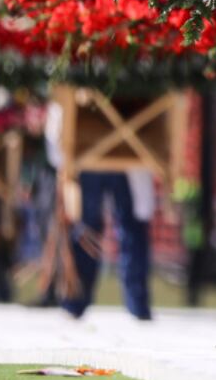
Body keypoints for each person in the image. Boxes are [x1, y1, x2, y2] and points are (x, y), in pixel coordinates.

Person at [45, 100, 154, 320]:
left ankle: (137, 304)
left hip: (124, 153)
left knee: (127, 227)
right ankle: (77, 301)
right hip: (89, 154)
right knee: (87, 228)